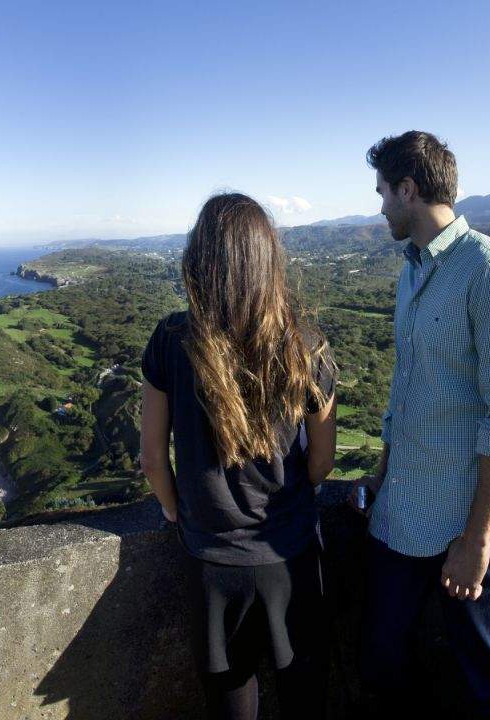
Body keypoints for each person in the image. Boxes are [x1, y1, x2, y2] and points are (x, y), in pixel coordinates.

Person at [348, 131, 490, 718]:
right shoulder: (411, 273)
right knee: (383, 660)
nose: (380, 206)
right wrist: (380, 479)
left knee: (486, 681)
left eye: (383, 191)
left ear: (408, 189)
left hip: (474, 523)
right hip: (405, 512)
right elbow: (406, 393)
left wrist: (478, 541)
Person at [140, 193, 338, 720]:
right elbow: (322, 462)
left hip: (212, 564)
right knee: (305, 700)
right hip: (290, 553)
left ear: (198, 261)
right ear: (268, 260)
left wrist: (174, 508)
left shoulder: (171, 339)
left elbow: (153, 459)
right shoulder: (307, 344)